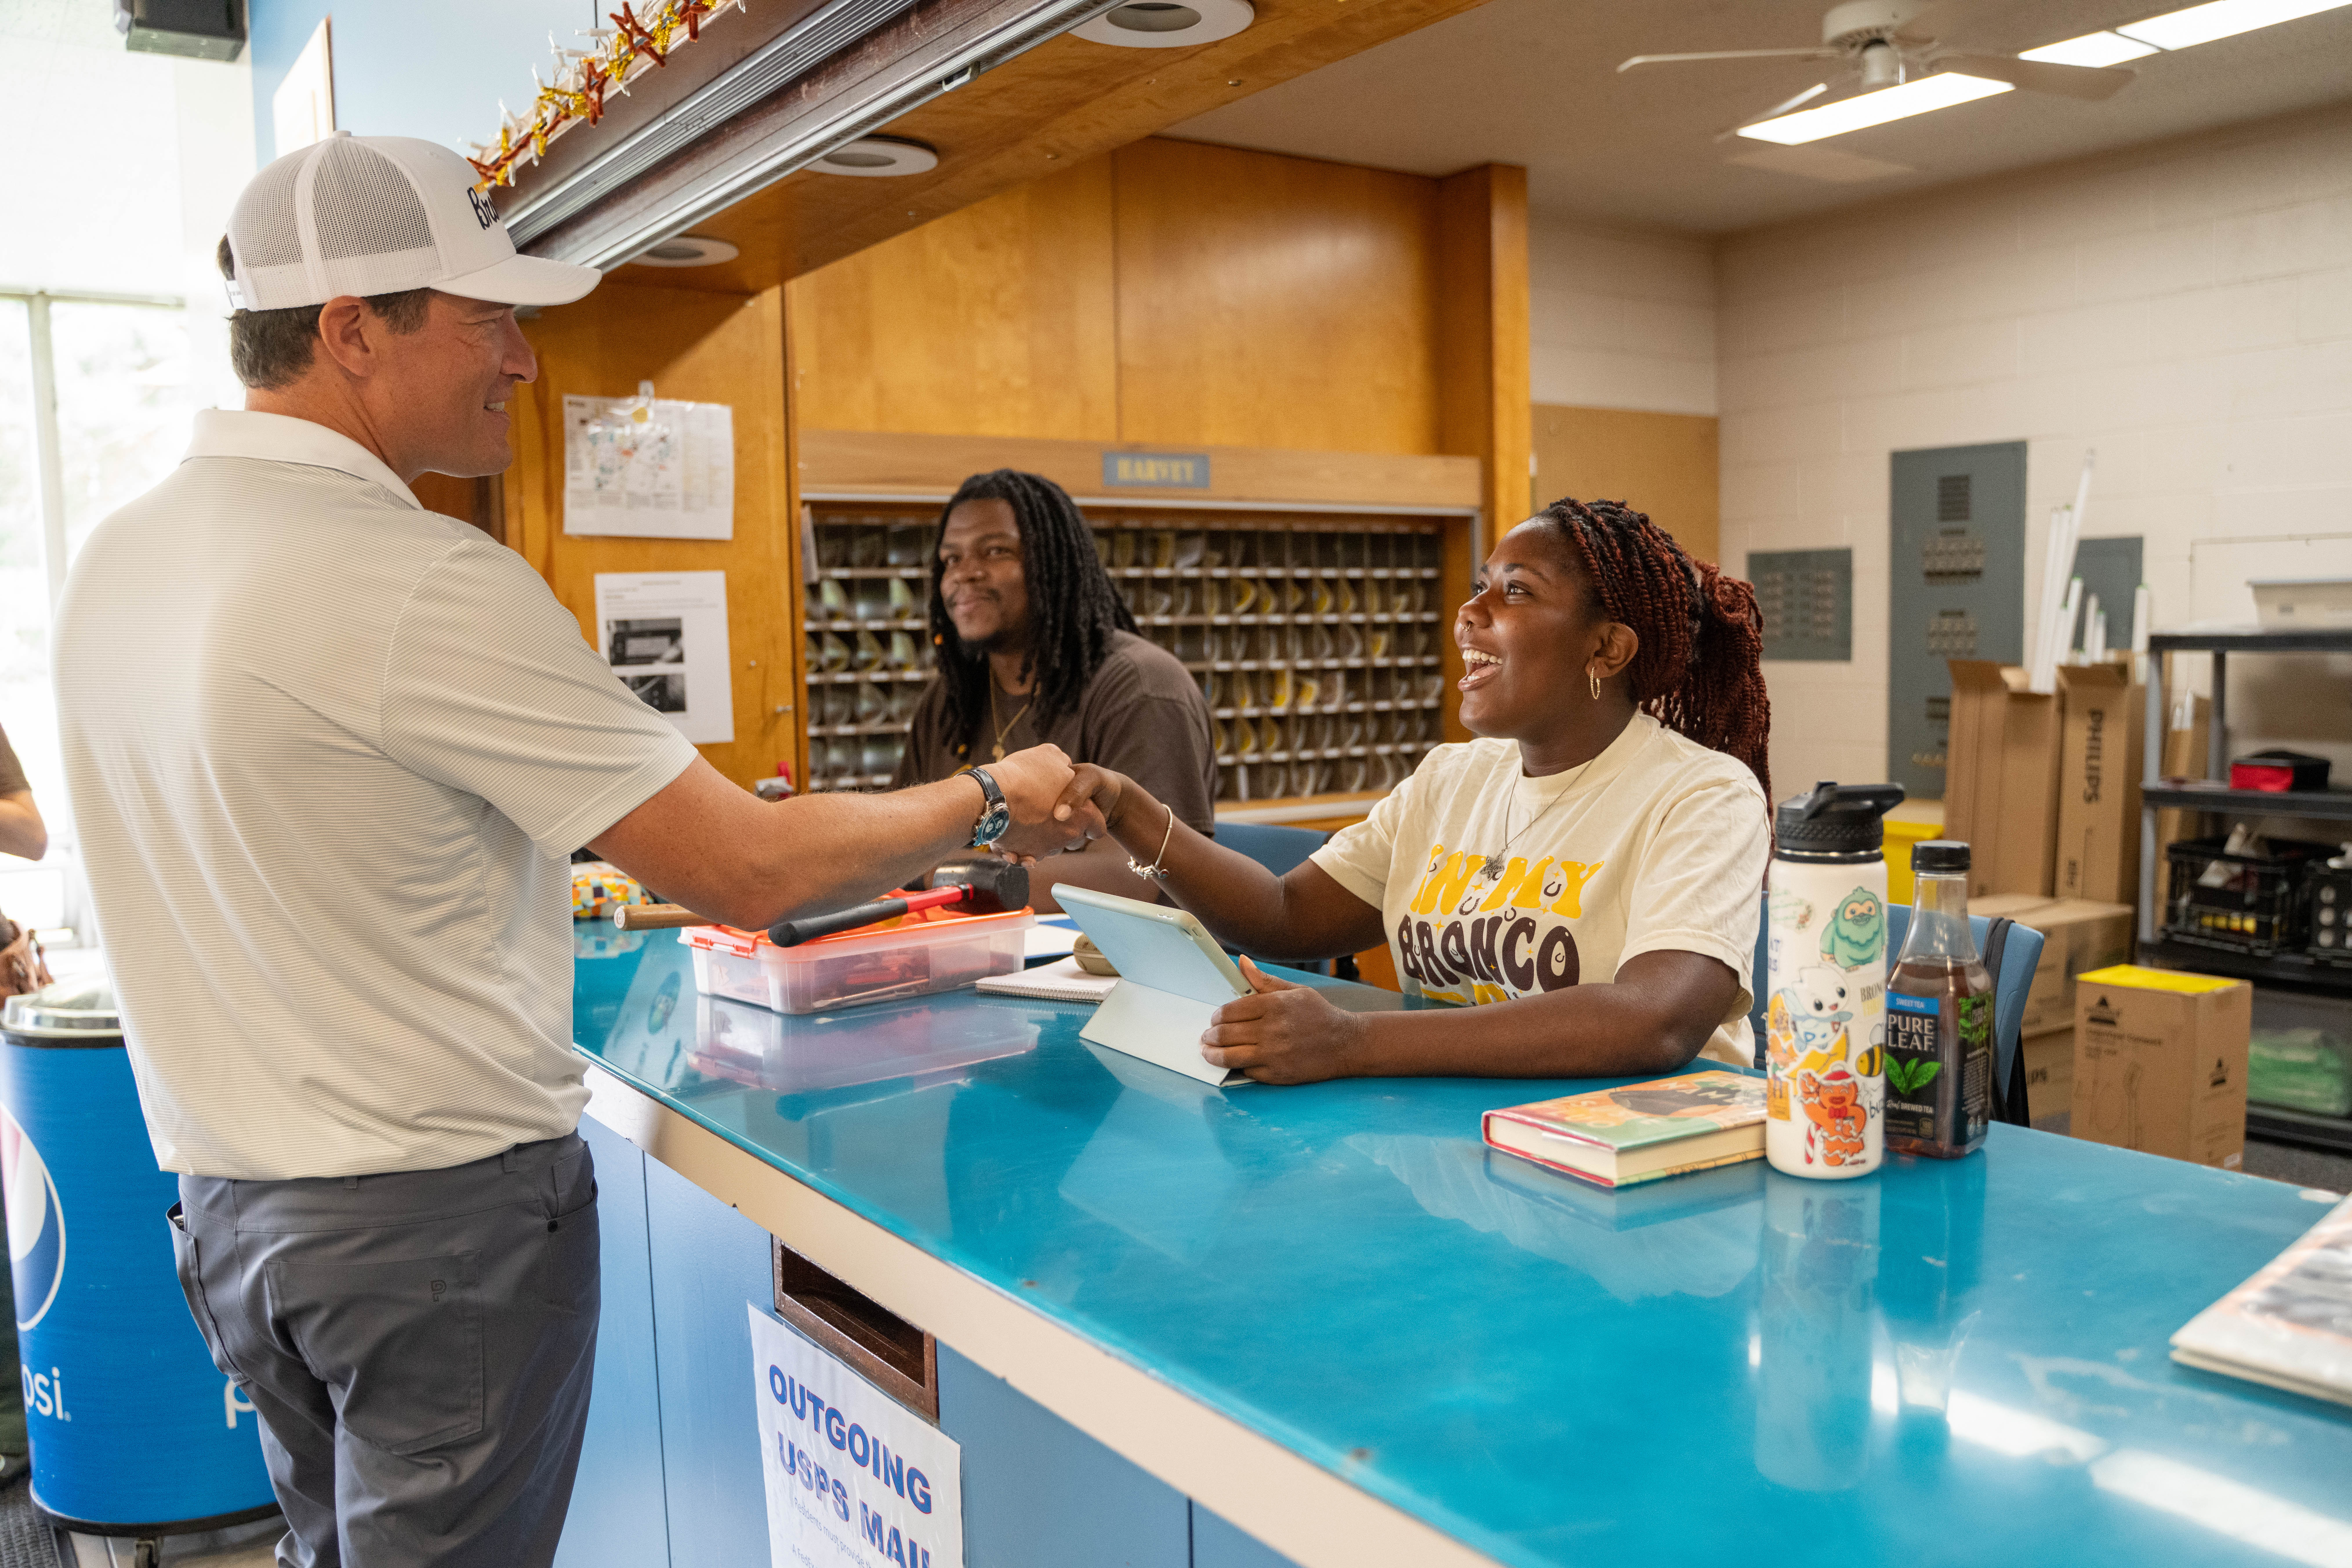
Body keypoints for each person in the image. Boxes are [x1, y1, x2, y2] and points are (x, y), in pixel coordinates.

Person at [53, 134, 1096, 1567]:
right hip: (433, 1241)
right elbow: (747, 869)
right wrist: (990, 793)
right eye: (490, 321)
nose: (523, 363)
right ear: (353, 331)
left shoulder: (114, 563)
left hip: (232, 1225)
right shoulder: (419, 579)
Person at [1059, 497, 1773, 1084]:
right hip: (1465, 1143)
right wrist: (1130, 808)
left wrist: (1354, 1042)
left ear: (1607, 649)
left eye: (1516, 591)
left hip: (1642, 1170)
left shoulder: (1703, 795)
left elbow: (1656, 1018)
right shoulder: (1452, 778)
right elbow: (1285, 915)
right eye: (1480, 586)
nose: (1470, 613)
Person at [893, 470, 1217, 910]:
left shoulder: (1141, 687)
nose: (964, 574)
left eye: (995, 551)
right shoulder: (949, 701)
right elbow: (899, 836)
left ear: (1053, 562)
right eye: (951, 560)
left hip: (1109, 968)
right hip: (981, 953)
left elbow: (1132, 878)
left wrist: (935, 872)